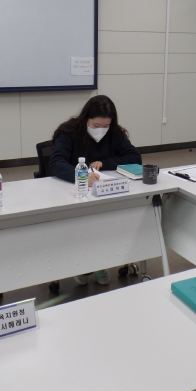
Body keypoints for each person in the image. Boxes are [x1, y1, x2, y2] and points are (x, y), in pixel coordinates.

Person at [49, 95, 142, 286]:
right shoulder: (69, 132)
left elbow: (135, 157)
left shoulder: (114, 133)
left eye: (106, 125)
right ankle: (85, 264)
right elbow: (56, 162)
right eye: (96, 125)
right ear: (86, 119)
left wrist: (106, 163)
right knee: (84, 224)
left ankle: (100, 261)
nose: (101, 130)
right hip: (74, 192)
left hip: (103, 192)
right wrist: (80, 175)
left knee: (107, 223)